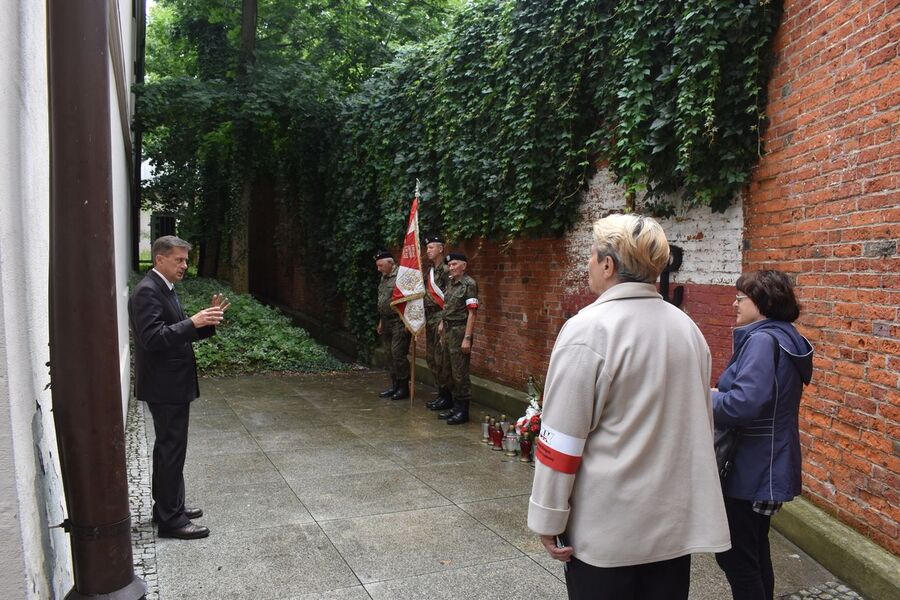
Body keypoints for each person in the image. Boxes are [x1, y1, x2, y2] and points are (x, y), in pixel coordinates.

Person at [527, 214, 730, 600]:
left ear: (608, 264)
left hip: (607, 535)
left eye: (591, 255)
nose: (587, 263)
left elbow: (563, 439)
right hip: (672, 530)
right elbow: (699, 427)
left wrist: (547, 515)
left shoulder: (588, 329)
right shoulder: (687, 329)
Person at [712, 270, 813, 600]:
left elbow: (742, 404)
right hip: (770, 464)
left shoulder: (760, 340)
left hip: (749, 468)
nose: (735, 303)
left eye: (741, 297)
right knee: (755, 551)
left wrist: (706, 395)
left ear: (763, 301)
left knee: (737, 557)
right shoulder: (786, 336)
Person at [129, 235, 229, 540]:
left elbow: (177, 331)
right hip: (164, 386)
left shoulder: (165, 288)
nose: (185, 265)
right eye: (179, 259)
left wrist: (206, 322)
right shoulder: (147, 292)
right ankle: (172, 521)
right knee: (171, 450)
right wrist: (193, 322)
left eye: (186, 260)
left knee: (168, 449)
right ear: (160, 259)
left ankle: (168, 508)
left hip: (170, 383)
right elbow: (153, 339)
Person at [437, 252, 478, 424]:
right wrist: (441, 323)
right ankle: (455, 405)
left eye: (454, 264)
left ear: (464, 266)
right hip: (448, 330)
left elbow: (472, 313)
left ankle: (463, 410)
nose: (451, 268)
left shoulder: (469, 284)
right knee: (447, 370)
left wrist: (467, 337)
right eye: (450, 265)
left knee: (460, 372)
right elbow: (446, 306)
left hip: (460, 331)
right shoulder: (450, 282)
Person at [421, 234, 453, 411]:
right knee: (431, 358)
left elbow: (450, 297)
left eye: (431, 247)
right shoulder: (430, 271)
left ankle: (447, 396)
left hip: (441, 318)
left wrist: (443, 319)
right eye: (427, 248)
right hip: (430, 318)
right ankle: (441, 393)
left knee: (442, 359)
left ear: (441, 248)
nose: (428, 251)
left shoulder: (447, 270)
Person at [375, 250, 412, 400]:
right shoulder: (384, 277)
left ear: (390, 263)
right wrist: (381, 321)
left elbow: (410, 299)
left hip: (399, 322)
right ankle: (395, 385)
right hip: (386, 321)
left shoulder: (402, 276)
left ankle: (403, 387)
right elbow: (382, 299)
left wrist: (408, 322)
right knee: (389, 355)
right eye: (377, 266)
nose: (379, 269)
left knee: (398, 354)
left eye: (381, 265)